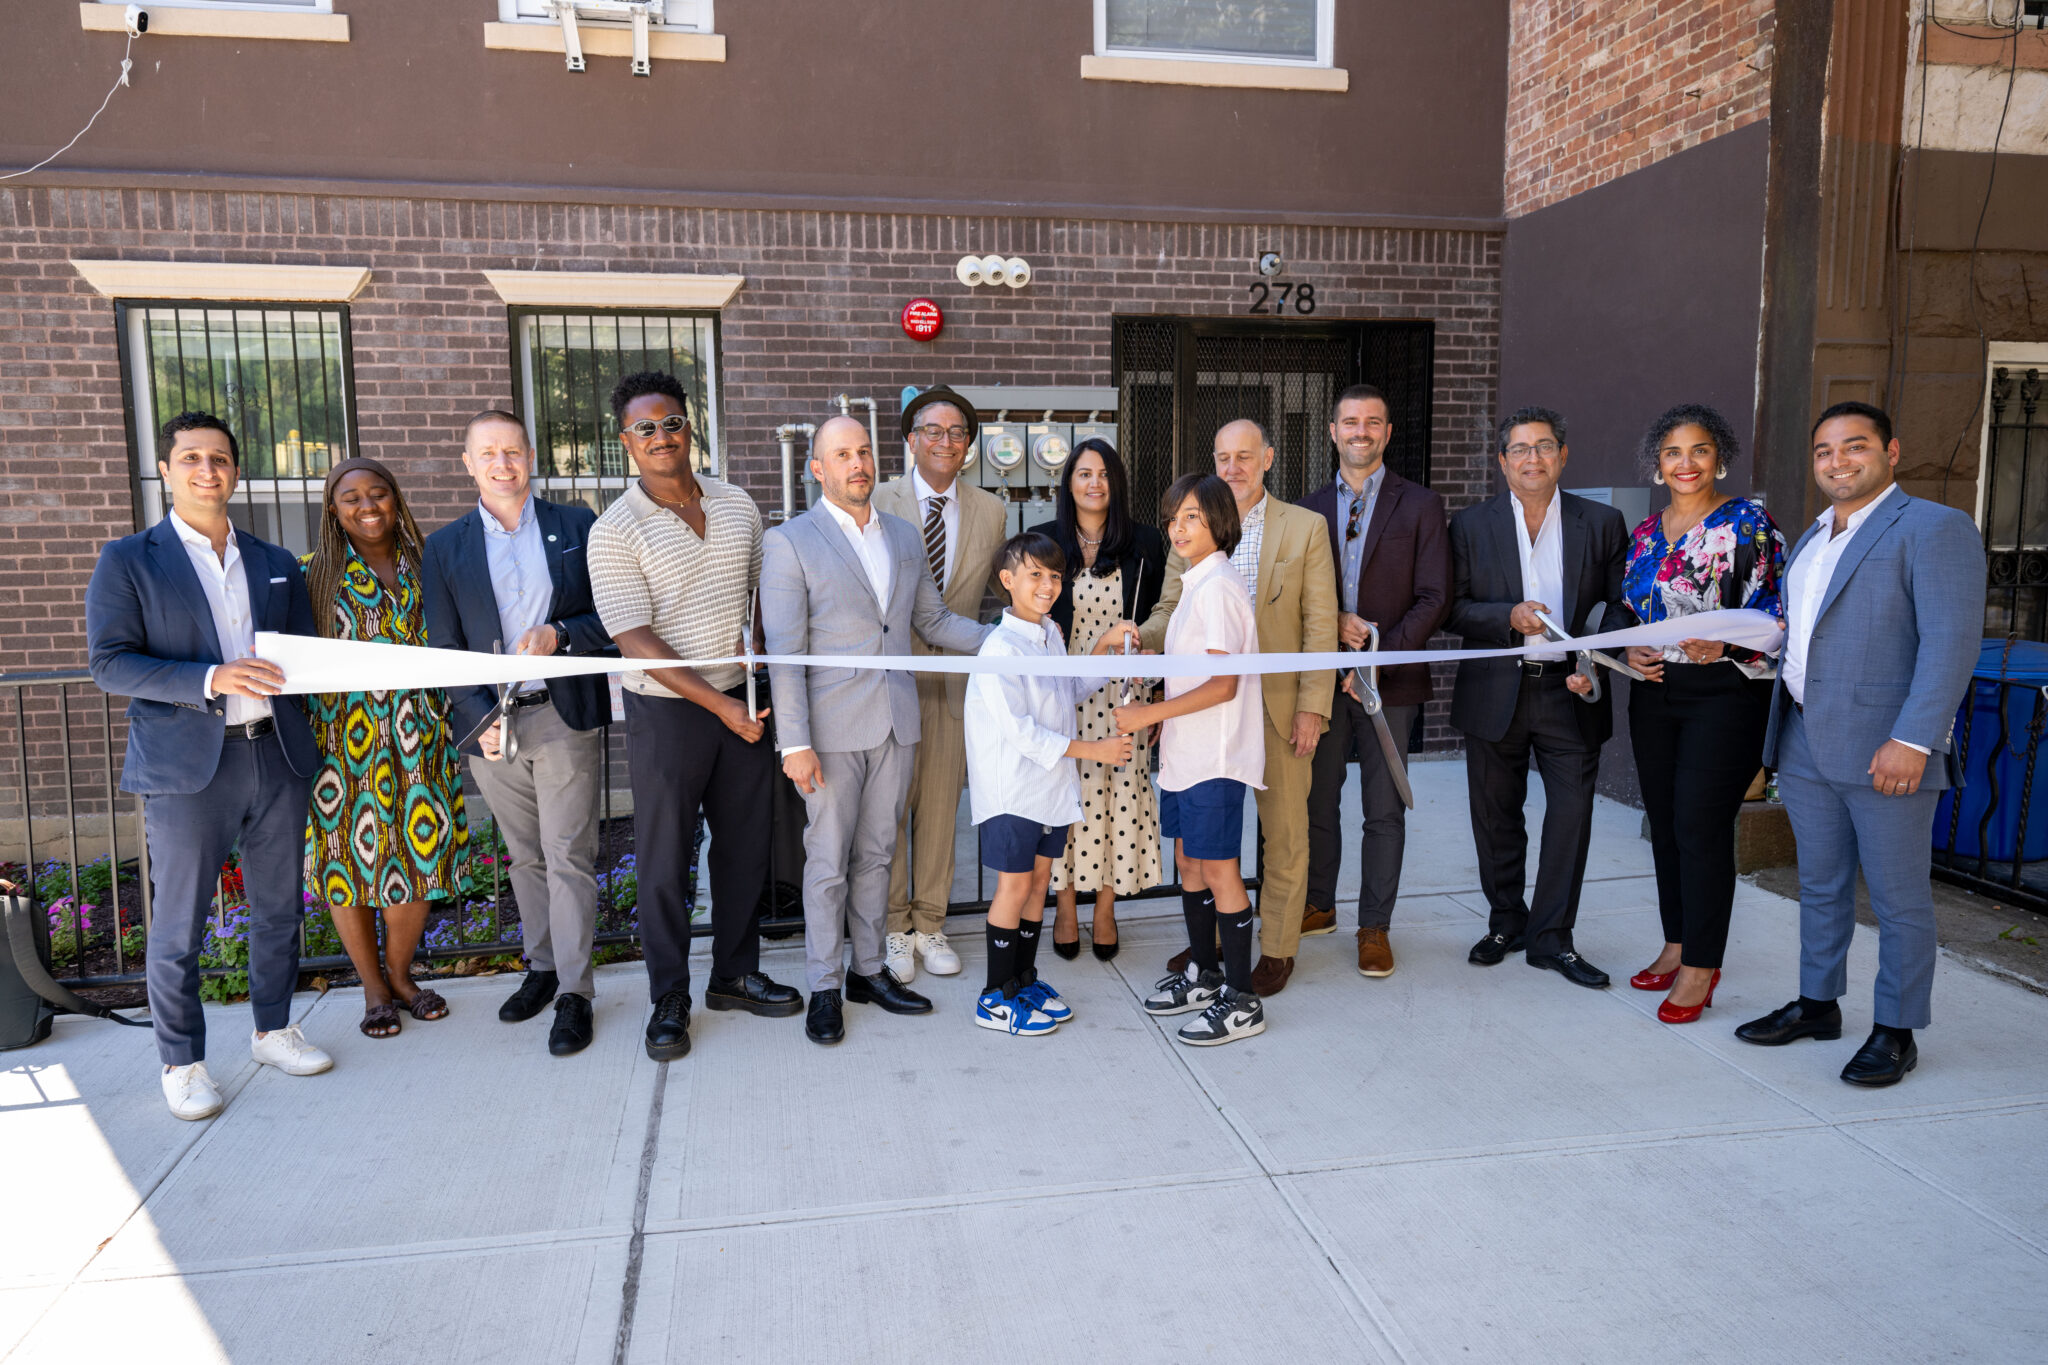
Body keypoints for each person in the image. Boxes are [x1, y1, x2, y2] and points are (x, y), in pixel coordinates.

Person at [86, 411, 332, 1120]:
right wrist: (211, 677)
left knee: (280, 907)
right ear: (165, 470)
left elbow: (302, 652)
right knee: (179, 925)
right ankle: (182, 1062)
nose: (206, 469)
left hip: (275, 753)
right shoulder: (129, 559)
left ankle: (273, 1028)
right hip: (189, 766)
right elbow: (110, 662)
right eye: (190, 457)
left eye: (219, 458)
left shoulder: (273, 559)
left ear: (234, 469)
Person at [1736, 401, 1985, 1086]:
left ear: (1891, 451)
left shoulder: (1934, 528)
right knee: (1819, 884)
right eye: (1824, 451)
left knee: (1899, 896)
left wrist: (1914, 738)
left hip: (1889, 748)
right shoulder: (1813, 538)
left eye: (1855, 446)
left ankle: (1896, 1029)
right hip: (1806, 739)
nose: (1838, 461)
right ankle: (1818, 1004)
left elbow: (1951, 643)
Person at [588, 372, 802, 1064]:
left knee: (744, 845)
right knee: (664, 857)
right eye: (644, 427)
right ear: (627, 442)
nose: (660, 436)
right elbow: (635, 638)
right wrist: (723, 707)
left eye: (671, 422)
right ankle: (669, 996)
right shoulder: (613, 529)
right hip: (668, 711)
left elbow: (759, 591)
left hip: (739, 695)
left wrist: (760, 645)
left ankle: (734, 974)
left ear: (691, 427)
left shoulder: (738, 503)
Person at [762, 415, 992, 1046]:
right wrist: (795, 743)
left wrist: (1006, 644)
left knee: (879, 857)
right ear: (817, 469)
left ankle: (868, 971)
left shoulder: (903, 534)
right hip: (830, 733)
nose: (856, 463)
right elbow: (784, 652)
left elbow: (934, 621)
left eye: (863, 451)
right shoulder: (790, 542)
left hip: (897, 722)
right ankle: (824, 986)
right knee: (828, 863)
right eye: (841, 455)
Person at [421, 409, 615, 1057]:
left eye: (513, 450)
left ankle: (575, 993)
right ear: (468, 463)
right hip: (490, 724)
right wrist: (479, 724)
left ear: (530, 456)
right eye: (489, 452)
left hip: (561, 710)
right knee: (524, 854)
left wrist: (560, 634)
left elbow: (608, 617)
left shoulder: (576, 525)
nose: (503, 462)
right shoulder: (445, 547)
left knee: (567, 854)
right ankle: (541, 967)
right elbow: (445, 646)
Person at [1601, 404, 1784, 1024]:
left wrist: (1728, 645)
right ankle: (1677, 943)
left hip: (1725, 696)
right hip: (1655, 693)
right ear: (1658, 462)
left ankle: (1703, 966)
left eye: (1699, 451)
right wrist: (1629, 644)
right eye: (1674, 452)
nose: (1687, 463)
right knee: (1665, 822)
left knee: (1701, 829)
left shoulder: (1748, 525)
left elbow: (1780, 616)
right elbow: (1628, 608)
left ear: (1719, 458)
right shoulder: (1646, 534)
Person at [1144, 420, 1338, 996]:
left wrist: (1313, 705)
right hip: (1207, 718)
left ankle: (1275, 949)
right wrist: (1140, 638)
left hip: (1278, 708)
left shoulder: (1305, 527)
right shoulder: (1194, 530)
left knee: (1283, 836)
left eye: (1245, 456)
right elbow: (1169, 608)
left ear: (1268, 459)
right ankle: (1217, 948)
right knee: (1206, 848)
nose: (1233, 467)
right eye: (1223, 456)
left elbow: (1320, 622)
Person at [1447, 406, 1628, 989]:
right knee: (1496, 818)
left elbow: (1619, 606)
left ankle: (1552, 939)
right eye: (1520, 449)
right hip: (1497, 688)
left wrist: (1590, 659)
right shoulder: (1471, 526)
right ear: (1503, 462)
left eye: (1544, 447)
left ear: (1563, 456)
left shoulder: (1601, 522)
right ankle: (1507, 922)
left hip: (1571, 692)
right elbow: (1454, 609)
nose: (1533, 458)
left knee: (1571, 818)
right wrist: (1509, 616)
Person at [301, 456, 470, 1039]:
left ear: (396, 500)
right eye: (351, 497)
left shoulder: (430, 564)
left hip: (421, 736)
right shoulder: (314, 574)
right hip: (344, 745)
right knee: (349, 862)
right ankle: (373, 989)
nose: (367, 506)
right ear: (333, 508)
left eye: (378, 494)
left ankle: (399, 976)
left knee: (420, 856)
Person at [1300, 385, 1450, 978]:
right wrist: (1336, 636)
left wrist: (1375, 662)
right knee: (1318, 799)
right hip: (1322, 680)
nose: (1361, 431)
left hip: (1390, 684)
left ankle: (1374, 926)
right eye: (1349, 422)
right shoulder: (1307, 508)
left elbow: (1435, 597)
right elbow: (1300, 601)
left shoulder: (1421, 505)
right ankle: (1319, 903)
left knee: (1383, 809)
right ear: (1333, 431)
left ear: (1387, 433)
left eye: (1373, 422)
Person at [964, 531, 1134, 1035]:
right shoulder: (999, 649)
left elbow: (1069, 690)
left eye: (1055, 576)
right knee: (1014, 886)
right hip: (1013, 789)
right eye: (1034, 574)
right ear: (1007, 580)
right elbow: (1023, 734)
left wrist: (1104, 648)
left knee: (1040, 882)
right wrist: (1096, 751)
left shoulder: (1052, 634)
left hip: (1050, 790)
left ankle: (1024, 980)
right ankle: (994, 997)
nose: (1047, 584)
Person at [1120, 474, 1268, 1045]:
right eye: (1174, 518)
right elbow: (1190, 672)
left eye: (1193, 518)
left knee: (1219, 870)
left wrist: (1149, 716)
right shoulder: (1191, 586)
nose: (1179, 528)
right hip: (1185, 754)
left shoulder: (1221, 587)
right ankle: (1205, 975)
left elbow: (1223, 685)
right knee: (1188, 864)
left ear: (1219, 524)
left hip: (1217, 756)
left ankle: (1241, 999)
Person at [874, 385, 1007, 985]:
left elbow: (986, 599)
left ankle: (930, 922)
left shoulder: (991, 510)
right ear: (910, 439)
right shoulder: (876, 501)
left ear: (969, 445)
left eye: (957, 433)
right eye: (933, 430)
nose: (945, 441)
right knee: (887, 812)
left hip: (954, 689)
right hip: (889, 684)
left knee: (939, 814)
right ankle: (893, 929)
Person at [1027, 437, 1167, 961]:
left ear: (1117, 483)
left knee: (1117, 800)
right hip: (1064, 695)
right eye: (1084, 473)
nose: (1094, 483)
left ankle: (1105, 907)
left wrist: (1156, 698)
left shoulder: (1147, 543)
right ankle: (1065, 907)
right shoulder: (1043, 541)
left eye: (1104, 474)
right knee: (1067, 802)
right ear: (1068, 483)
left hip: (1124, 697)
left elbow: (1159, 622)